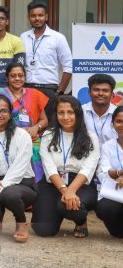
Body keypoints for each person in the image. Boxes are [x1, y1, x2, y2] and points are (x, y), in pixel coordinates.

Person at [32, 96, 99, 238]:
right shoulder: (48, 135)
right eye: (61, 113)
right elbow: (49, 167)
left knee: (69, 207)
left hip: (80, 183)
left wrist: (71, 191)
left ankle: (81, 221)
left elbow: (88, 168)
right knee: (43, 229)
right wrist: (64, 190)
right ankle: (56, 211)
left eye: (70, 112)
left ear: (78, 114)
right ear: (55, 114)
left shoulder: (91, 137)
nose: (65, 117)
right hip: (53, 182)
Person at [0, 95, 36, 243]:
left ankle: (21, 222)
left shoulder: (22, 135)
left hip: (22, 183)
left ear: (10, 114)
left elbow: (19, 169)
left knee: (9, 194)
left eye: (3, 111)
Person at [0, 62, 49, 182]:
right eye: (13, 76)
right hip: (8, 136)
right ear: (7, 78)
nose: (17, 78)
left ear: (25, 77)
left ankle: (36, 185)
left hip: (32, 137)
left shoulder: (34, 94)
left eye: (20, 75)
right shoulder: (0, 93)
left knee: (38, 150)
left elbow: (44, 120)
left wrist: (36, 127)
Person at [20, 1, 72, 118]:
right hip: (27, 89)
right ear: (28, 18)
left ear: (46, 17)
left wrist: (59, 93)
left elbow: (68, 67)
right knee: (27, 123)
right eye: (33, 16)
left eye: (40, 15)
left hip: (49, 90)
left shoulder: (58, 38)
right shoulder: (23, 37)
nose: (37, 18)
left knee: (49, 125)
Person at [95, 106, 123, 238]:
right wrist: (117, 175)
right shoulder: (107, 146)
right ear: (112, 124)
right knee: (104, 208)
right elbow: (103, 172)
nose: (122, 125)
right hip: (116, 190)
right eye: (119, 121)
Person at [82, 73, 117, 149]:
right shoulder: (81, 112)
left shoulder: (119, 114)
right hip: (85, 155)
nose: (100, 93)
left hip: (113, 156)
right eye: (96, 90)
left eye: (105, 90)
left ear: (112, 94)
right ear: (89, 93)